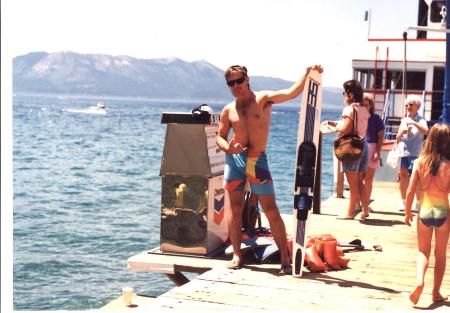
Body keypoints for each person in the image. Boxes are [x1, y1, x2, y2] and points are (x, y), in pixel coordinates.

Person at [216, 64, 323, 275]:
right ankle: (237, 255)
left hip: (256, 161)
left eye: (239, 81)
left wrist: (307, 74)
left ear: (247, 79)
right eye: (231, 83)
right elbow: (220, 136)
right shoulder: (229, 110)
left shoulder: (263, 99)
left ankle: (285, 258)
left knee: (271, 210)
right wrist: (228, 146)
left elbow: (291, 93)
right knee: (235, 210)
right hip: (234, 161)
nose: (236, 86)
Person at [404, 123, 450, 305]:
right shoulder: (448, 165)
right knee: (440, 254)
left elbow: (409, 190)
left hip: (425, 210)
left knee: (423, 251)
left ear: (429, 139)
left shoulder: (420, 161)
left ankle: (419, 281)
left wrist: (407, 212)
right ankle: (436, 292)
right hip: (443, 212)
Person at [323, 80, 370, 220]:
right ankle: (365, 209)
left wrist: (335, 127)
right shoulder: (363, 109)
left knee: (352, 183)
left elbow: (345, 128)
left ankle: (350, 213)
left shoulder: (349, 109)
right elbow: (354, 125)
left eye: (344, 93)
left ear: (349, 94)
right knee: (359, 181)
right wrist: (337, 122)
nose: (343, 95)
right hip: (363, 144)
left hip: (351, 146)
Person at [396, 95, 428, 212]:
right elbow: (398, 137)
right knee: (403, 177)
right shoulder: (404, 119)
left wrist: (413, 123)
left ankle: (418, 203)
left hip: (415, 154)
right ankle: (403, 202)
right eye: (407, 105)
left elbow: (425, 130)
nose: (408, 107)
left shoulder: (421, 119)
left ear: (417, 106)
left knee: (418, 179)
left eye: (411, 105)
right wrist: (400, 134)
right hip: (404, 152)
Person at [362, 93, 385, 207]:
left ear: (371, 106)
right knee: (358, 179)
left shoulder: (376, 119)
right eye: (362, 105)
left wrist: (377, 152)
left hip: (372, 148)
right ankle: (358, 203)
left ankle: (365, 204)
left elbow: (381, 136)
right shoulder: (358, 117)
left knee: (368, 179)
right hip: (360, 148)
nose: (364, 107)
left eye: (366, 105)